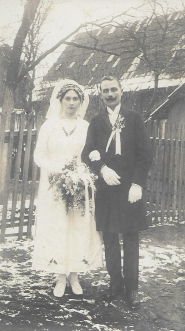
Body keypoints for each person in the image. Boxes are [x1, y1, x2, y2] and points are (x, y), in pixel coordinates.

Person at [81, 75, 153, 308]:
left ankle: (131, 288)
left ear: (121, 91)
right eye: (105, 91)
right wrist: (101, 169)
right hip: (107, 189)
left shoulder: (134, 119)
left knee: (131, 238)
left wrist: (137, 184)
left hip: (129, 188)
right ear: (100, 94)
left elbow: (145, 155)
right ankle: (115, 286)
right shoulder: (96, 121)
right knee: (110, 239)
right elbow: (87, 153)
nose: (110, 94)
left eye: (113, 90)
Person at [32, 79, 103, 298]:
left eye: (76, 99)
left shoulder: (86, 127)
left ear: (81, 102)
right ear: (60, 100)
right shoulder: (49, 126)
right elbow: (39, 155)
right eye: (68, 98)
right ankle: (60, 276)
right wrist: (58, 170)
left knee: (77, 227)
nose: (71, 103)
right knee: (58, 227)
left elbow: (91, 154)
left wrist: (81, 174)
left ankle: (74, 274)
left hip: (79, 184)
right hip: (54, 185)